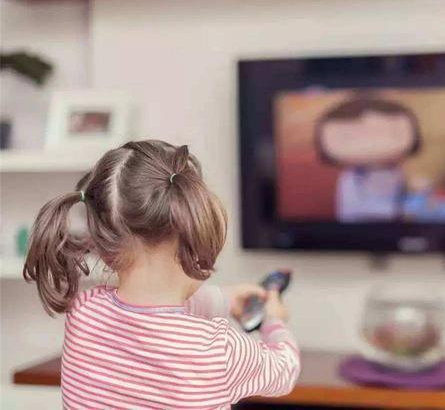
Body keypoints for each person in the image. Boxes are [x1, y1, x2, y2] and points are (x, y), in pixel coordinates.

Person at [23, 140, 300, 409]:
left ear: (106, 248)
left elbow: (152, 313)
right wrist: (273, 320)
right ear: (196, 239)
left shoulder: (84, 311)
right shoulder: (220, 349)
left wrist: (225, 300)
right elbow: (285, 368)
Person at [315, 96, 422, 222]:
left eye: (391, 134)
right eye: (349, 138)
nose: (374, 146)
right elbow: (356, 209)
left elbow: (402, 194)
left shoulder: (397, 171)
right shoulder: (350, 178)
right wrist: (402, 209)